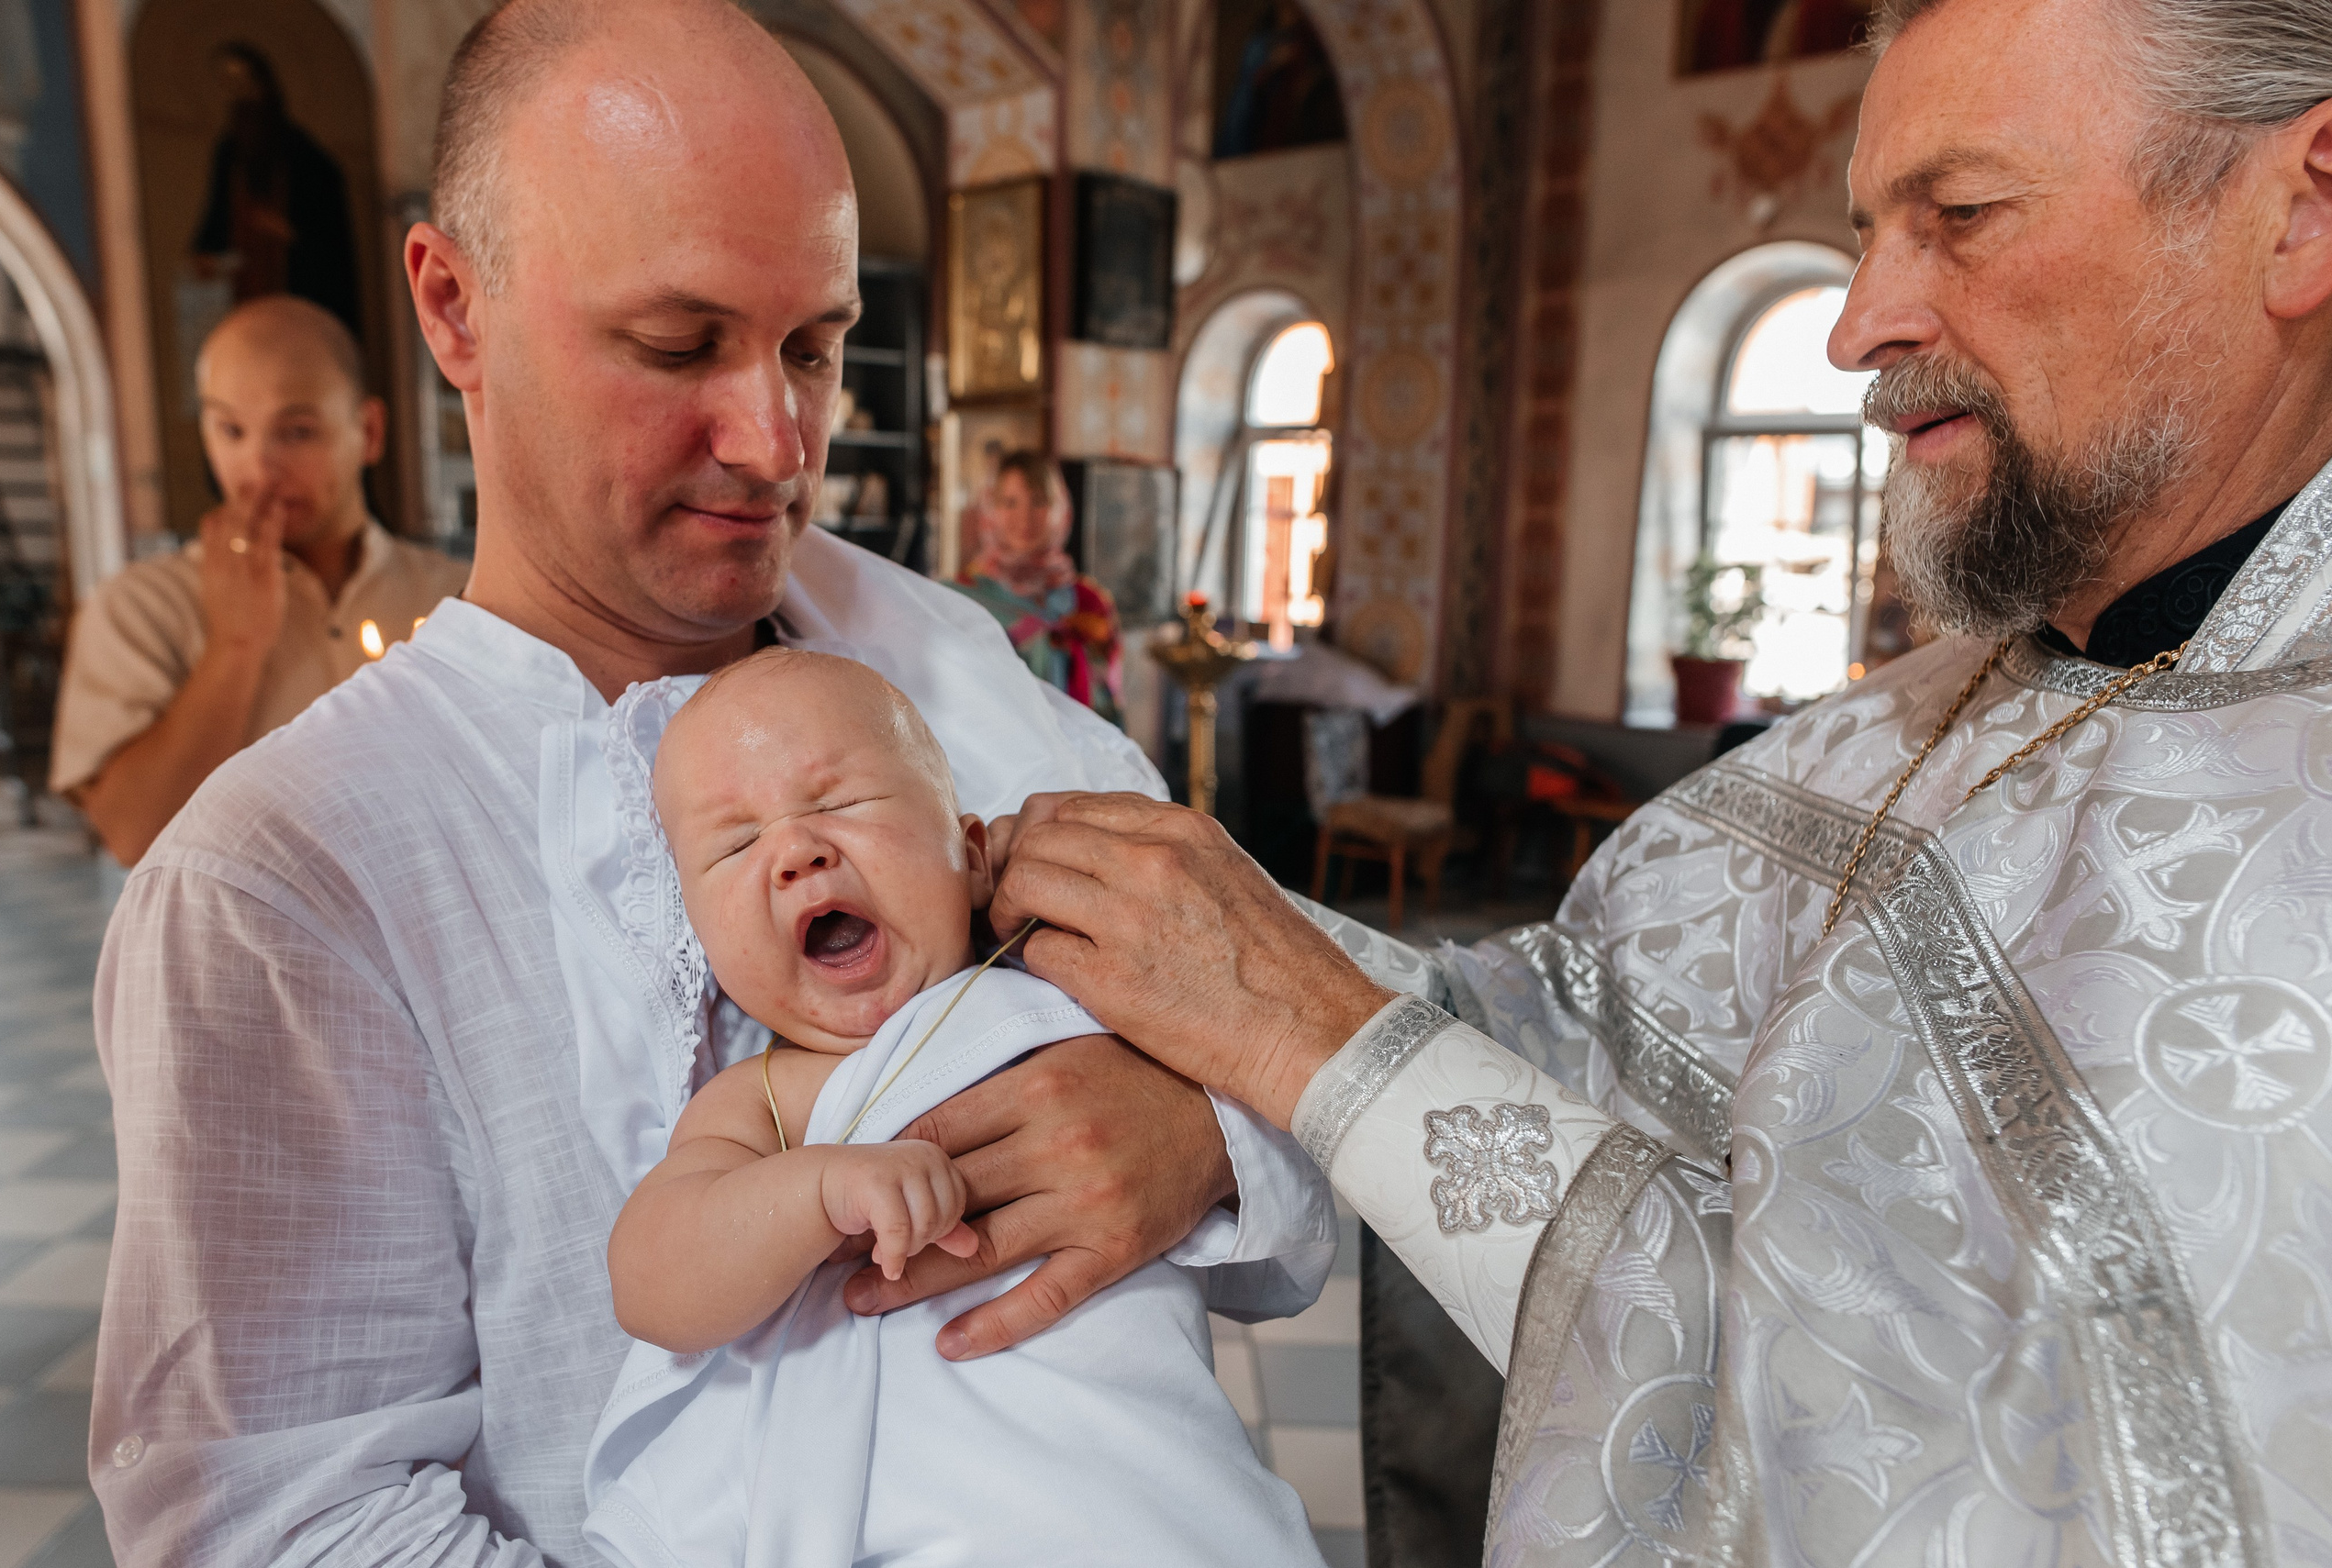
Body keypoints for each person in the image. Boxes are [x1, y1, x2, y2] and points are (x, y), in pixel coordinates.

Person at [980, 0, 2332, 1561]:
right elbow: (1579, 1022)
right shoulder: (1919, 711)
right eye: (1869, 235)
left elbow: (1959, 1477)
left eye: (1961, 214)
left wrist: (1313, 1043)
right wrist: (1233, 1049)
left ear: (2301, 210)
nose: (1859, 325)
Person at [89, 4, 1327, 1562]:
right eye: (679, 345)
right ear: (455, 306)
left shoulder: (945, 665)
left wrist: (1199, 1135)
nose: (775, 441)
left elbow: (1315, 1060)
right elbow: (277, 1521)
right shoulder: (281, 880)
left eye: (814, 347)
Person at [587, 650, 1326, 1567]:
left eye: (842, 802)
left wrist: (1207, 1128)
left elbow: (1283, 1132)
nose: (796, 852)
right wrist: (812, 1193)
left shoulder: (1077, 1000)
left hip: (1135, 1492)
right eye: (736, 845)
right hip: (894, 1526)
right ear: (703, 940)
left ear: (971, 855)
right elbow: (650, 1281)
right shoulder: (768, 1099)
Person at [50, 295, 464, 864]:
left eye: (296, 432)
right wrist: (234, 646)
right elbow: (133, 838)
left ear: (368, 431)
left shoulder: (456, 596)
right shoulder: (140, 608)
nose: (259, 469)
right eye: (231, 429)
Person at [189, 41, 361, 330]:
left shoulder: (309, 160)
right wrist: (205, 255)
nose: (241, 98)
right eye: (231, 88)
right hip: (245, 301)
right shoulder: (228, 153)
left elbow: (329, 250)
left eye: (247, 85)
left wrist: (285, 231)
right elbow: (215, 223)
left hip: (298, 297)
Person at [951, 450, 1125, 722]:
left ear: (1060, 509)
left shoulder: (1089, 603)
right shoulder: (959, 599)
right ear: (989, 510)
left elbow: (1110, 709)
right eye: (1010, 502)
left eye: (1039, 502)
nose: (1025, 516)